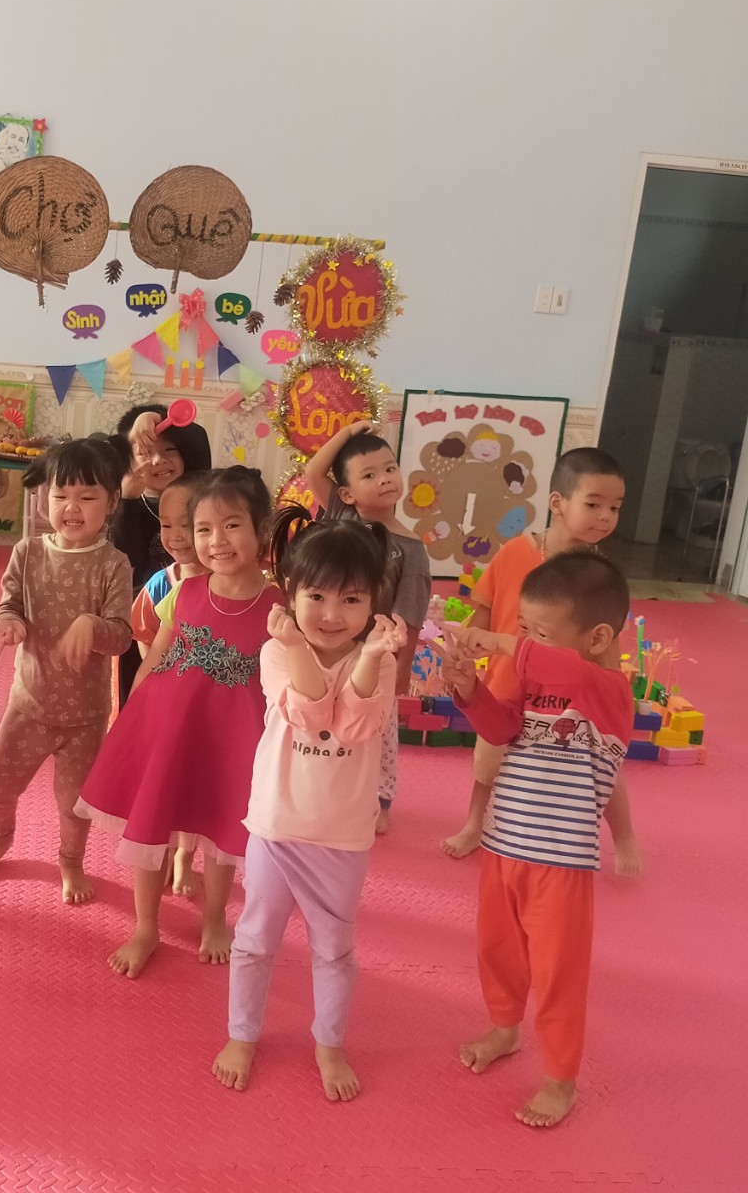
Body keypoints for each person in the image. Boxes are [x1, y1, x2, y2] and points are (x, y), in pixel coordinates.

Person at [440, 552, 642, 1127]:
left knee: (557, 975)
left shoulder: (607, 690)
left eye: (539, 633)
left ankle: (560, 1079)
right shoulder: (535, 680)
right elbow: (502, 728)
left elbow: (565, 671)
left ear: (597, 638)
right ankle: (505, 1029)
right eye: (522, 627)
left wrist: (495, 639)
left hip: (560, 864)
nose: (524, 643)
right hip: (504, 846)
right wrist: (470, 690)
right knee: (497, 952)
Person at [213, 512, 406, 1100]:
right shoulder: (278, 652)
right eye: (316, 596)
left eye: (351, 599)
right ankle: (242, 1034)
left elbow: (354, 725)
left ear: (374, 602)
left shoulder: (381, 659)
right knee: (254, 940)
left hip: (342, 837)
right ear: (290, 593)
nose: (331, 613)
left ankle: (329, 1044)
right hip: (277, 826)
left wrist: (371, 656)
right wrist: (296, 644)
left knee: (335, 949)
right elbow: (311, 711)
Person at [78, 467, 283, 979]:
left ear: (261, 529)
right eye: (204, 529)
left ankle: (215, 918)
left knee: (221, 833)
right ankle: (145, 926)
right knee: (152, 826)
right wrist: (129, 719)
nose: (217, 541)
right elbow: (154, 658)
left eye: (231, 526)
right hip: (169, 731)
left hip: (234, 741)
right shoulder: (187, 591)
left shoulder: (278, 605)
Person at [440, 447, 635, 863]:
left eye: (615, 508)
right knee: (489, 762)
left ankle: (624, 838)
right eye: (594, 504)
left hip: (569, 694)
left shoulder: (598, 575)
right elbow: (486, 606)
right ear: (558, 503)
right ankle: (475, 825)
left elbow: (608, 642)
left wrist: (612, 692)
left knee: (602, 765)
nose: (606, 517)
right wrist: (468, 643)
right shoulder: (516, 552)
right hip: (509, 680)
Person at [0, 438, 133, 904]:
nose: (71, 507)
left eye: (87, 497)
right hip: (29, 705)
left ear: (111, 502)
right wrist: (8, 622)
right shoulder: (28, 552)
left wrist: (92, 626)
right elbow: (7, 603)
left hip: (85, 716)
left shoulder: (114, 565)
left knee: (74, 804)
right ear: (44, 498)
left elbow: (122, 636)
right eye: (60, 495)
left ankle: (70, 862)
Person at [303, 421, 430, 833]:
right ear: (347, 493)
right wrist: (346, 434)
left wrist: (402, 668)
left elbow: (410, 615)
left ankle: (380, 798)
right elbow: (313, 472)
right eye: (370, 475)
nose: (385, 479)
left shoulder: (411, 547)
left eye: (390, 469)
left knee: (380, 730)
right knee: (330, 720)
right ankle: (328, 789)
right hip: (328, 646)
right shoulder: (343, 516)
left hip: (376, 655)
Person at [128, 470, 209, 897]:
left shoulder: (224, 585)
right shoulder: (162, 583)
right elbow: (145, 638)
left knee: (196, 786)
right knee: (163, 785)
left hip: (208, 706)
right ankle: (162, 854)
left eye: (188, 524)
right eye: (165, 524)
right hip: (167, 703)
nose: (176, 536)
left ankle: (185, 857)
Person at [110, 404, 211, 700]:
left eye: (169, 450)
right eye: (144, 452)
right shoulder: (128, 502)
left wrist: (152, 419)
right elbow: (126, 556)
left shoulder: (203, 497)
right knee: (139, 688)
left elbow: (198, 439)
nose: (157, 460)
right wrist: (127, 500)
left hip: (197, 605)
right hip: (144, 610)